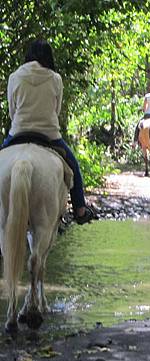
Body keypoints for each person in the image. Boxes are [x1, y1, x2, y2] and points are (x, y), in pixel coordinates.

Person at [2, 40, 94, 224]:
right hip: (49, 136)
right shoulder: (55, 78)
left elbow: (12, 111)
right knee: (74, 167)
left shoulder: (15, 77)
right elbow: (56, 109)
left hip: (18, 132)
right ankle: (80, 209)